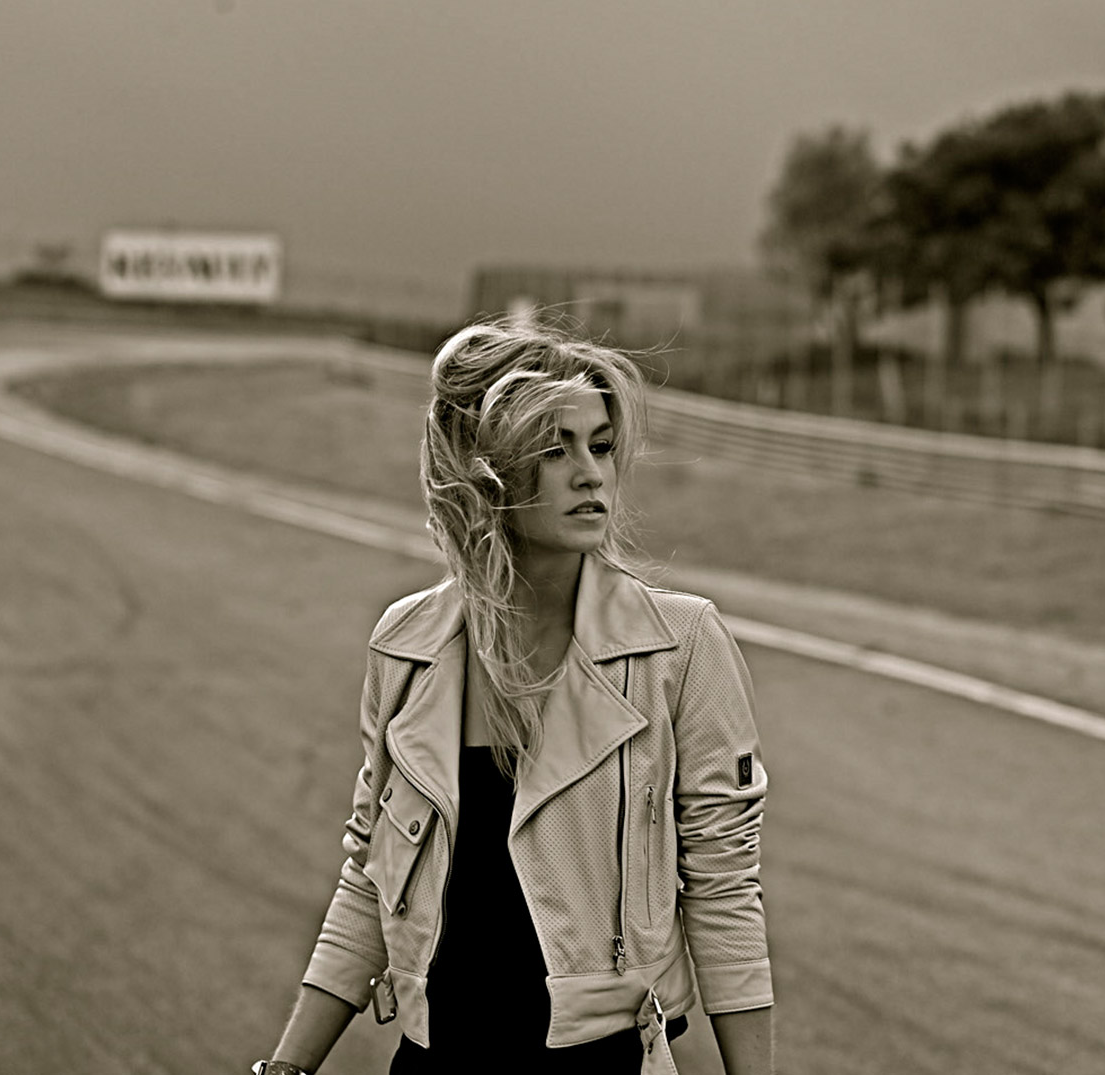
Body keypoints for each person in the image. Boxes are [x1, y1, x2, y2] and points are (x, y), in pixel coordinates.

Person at [253, 319, 773, 1075]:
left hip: (604, 1060)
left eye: (600, 445)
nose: (590, 474)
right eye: (554, 450)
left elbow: (724, 889)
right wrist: (285, 1069)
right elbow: (373, 877)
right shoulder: (406, 644)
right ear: (486, 472)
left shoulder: (681, 644)